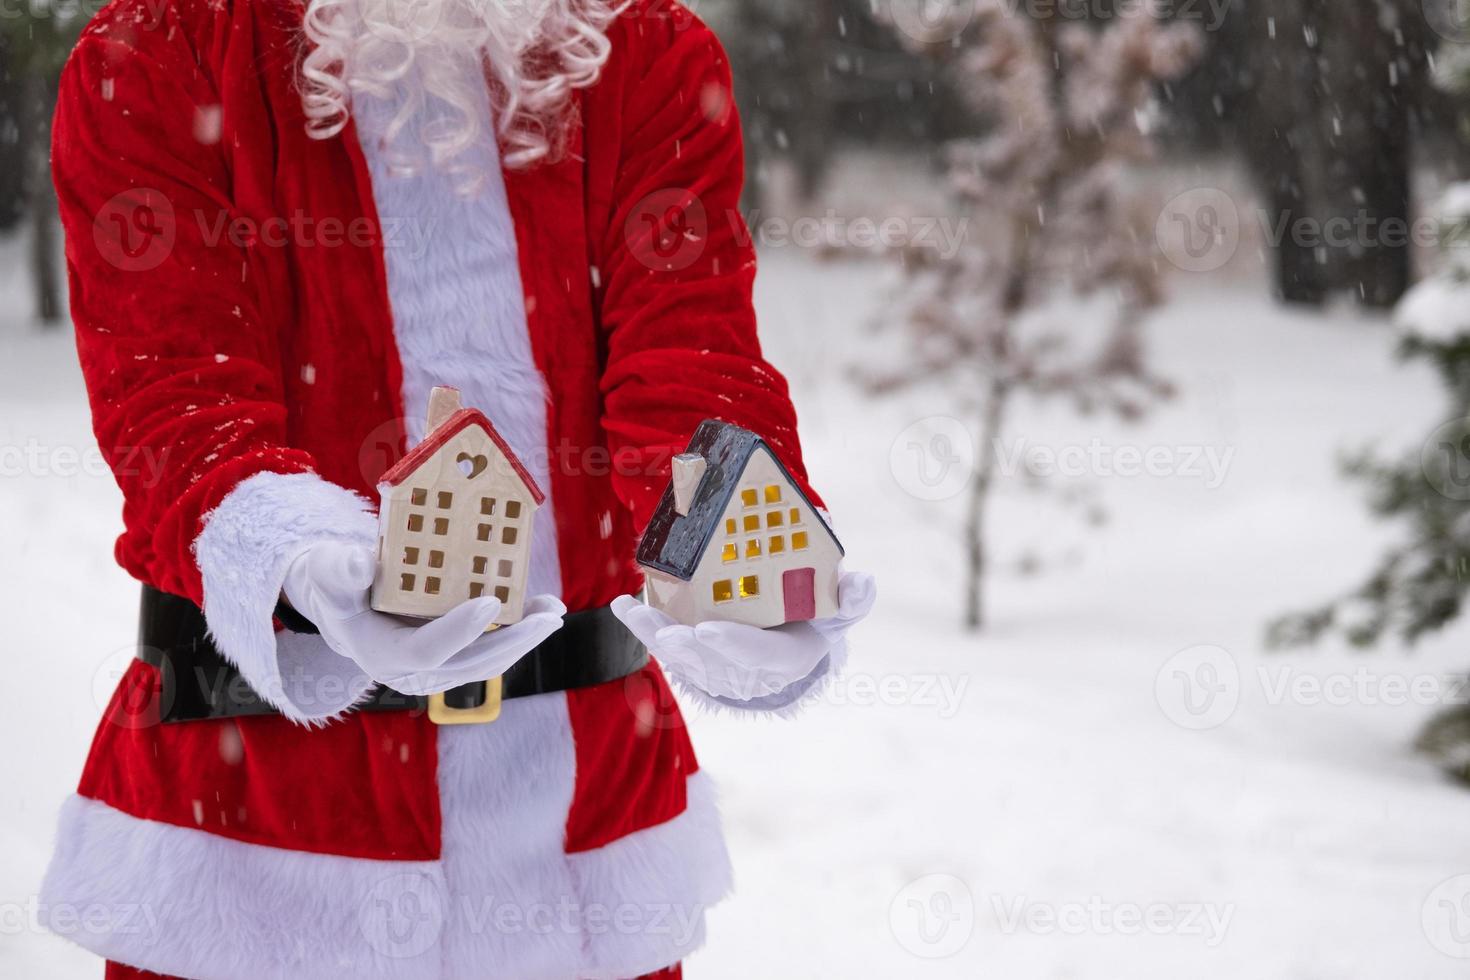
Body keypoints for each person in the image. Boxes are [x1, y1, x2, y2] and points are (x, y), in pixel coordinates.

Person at [38, 0, 876, 976]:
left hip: (579, 832)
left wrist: (743, 556)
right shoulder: (156, 51)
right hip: (252, 840)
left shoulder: (643, 51)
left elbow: (691, 353)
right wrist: (301, 563)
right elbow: (177, 400)